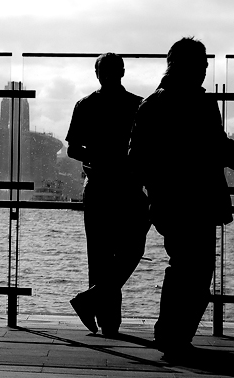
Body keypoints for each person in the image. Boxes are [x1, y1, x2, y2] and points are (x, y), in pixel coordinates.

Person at [129, 37, 234, 358]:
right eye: (202, 65)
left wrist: (156, 190)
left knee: (183, 266)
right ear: (191, 66)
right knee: (197, 271)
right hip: (199, 200)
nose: (204, 71)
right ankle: (175, 335)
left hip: (169, 201)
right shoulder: (201, 104)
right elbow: (218, 148)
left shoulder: (151, 105)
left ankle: (171, 336)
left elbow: (136, 159)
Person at [65, 53, 150, 337]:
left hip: (98, 187)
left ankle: (100, 312)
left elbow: (73, 148)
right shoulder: (139, 105)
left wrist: (96, 157)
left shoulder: (86, 105)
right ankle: (106, 319)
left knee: (100, 255)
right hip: (128, 187)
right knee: (130, 249)